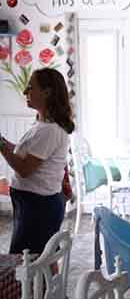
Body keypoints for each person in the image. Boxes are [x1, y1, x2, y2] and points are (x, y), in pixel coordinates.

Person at [0, 68, 75, 254]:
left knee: (28, 259)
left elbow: (25, 169)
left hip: (38, 206)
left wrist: (0, 144)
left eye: (31, 87)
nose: (25, 91)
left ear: (47, 92)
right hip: (35, 203)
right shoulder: (43, 125)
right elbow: (23, 154)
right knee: (41, 256)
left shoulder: (49, 130)